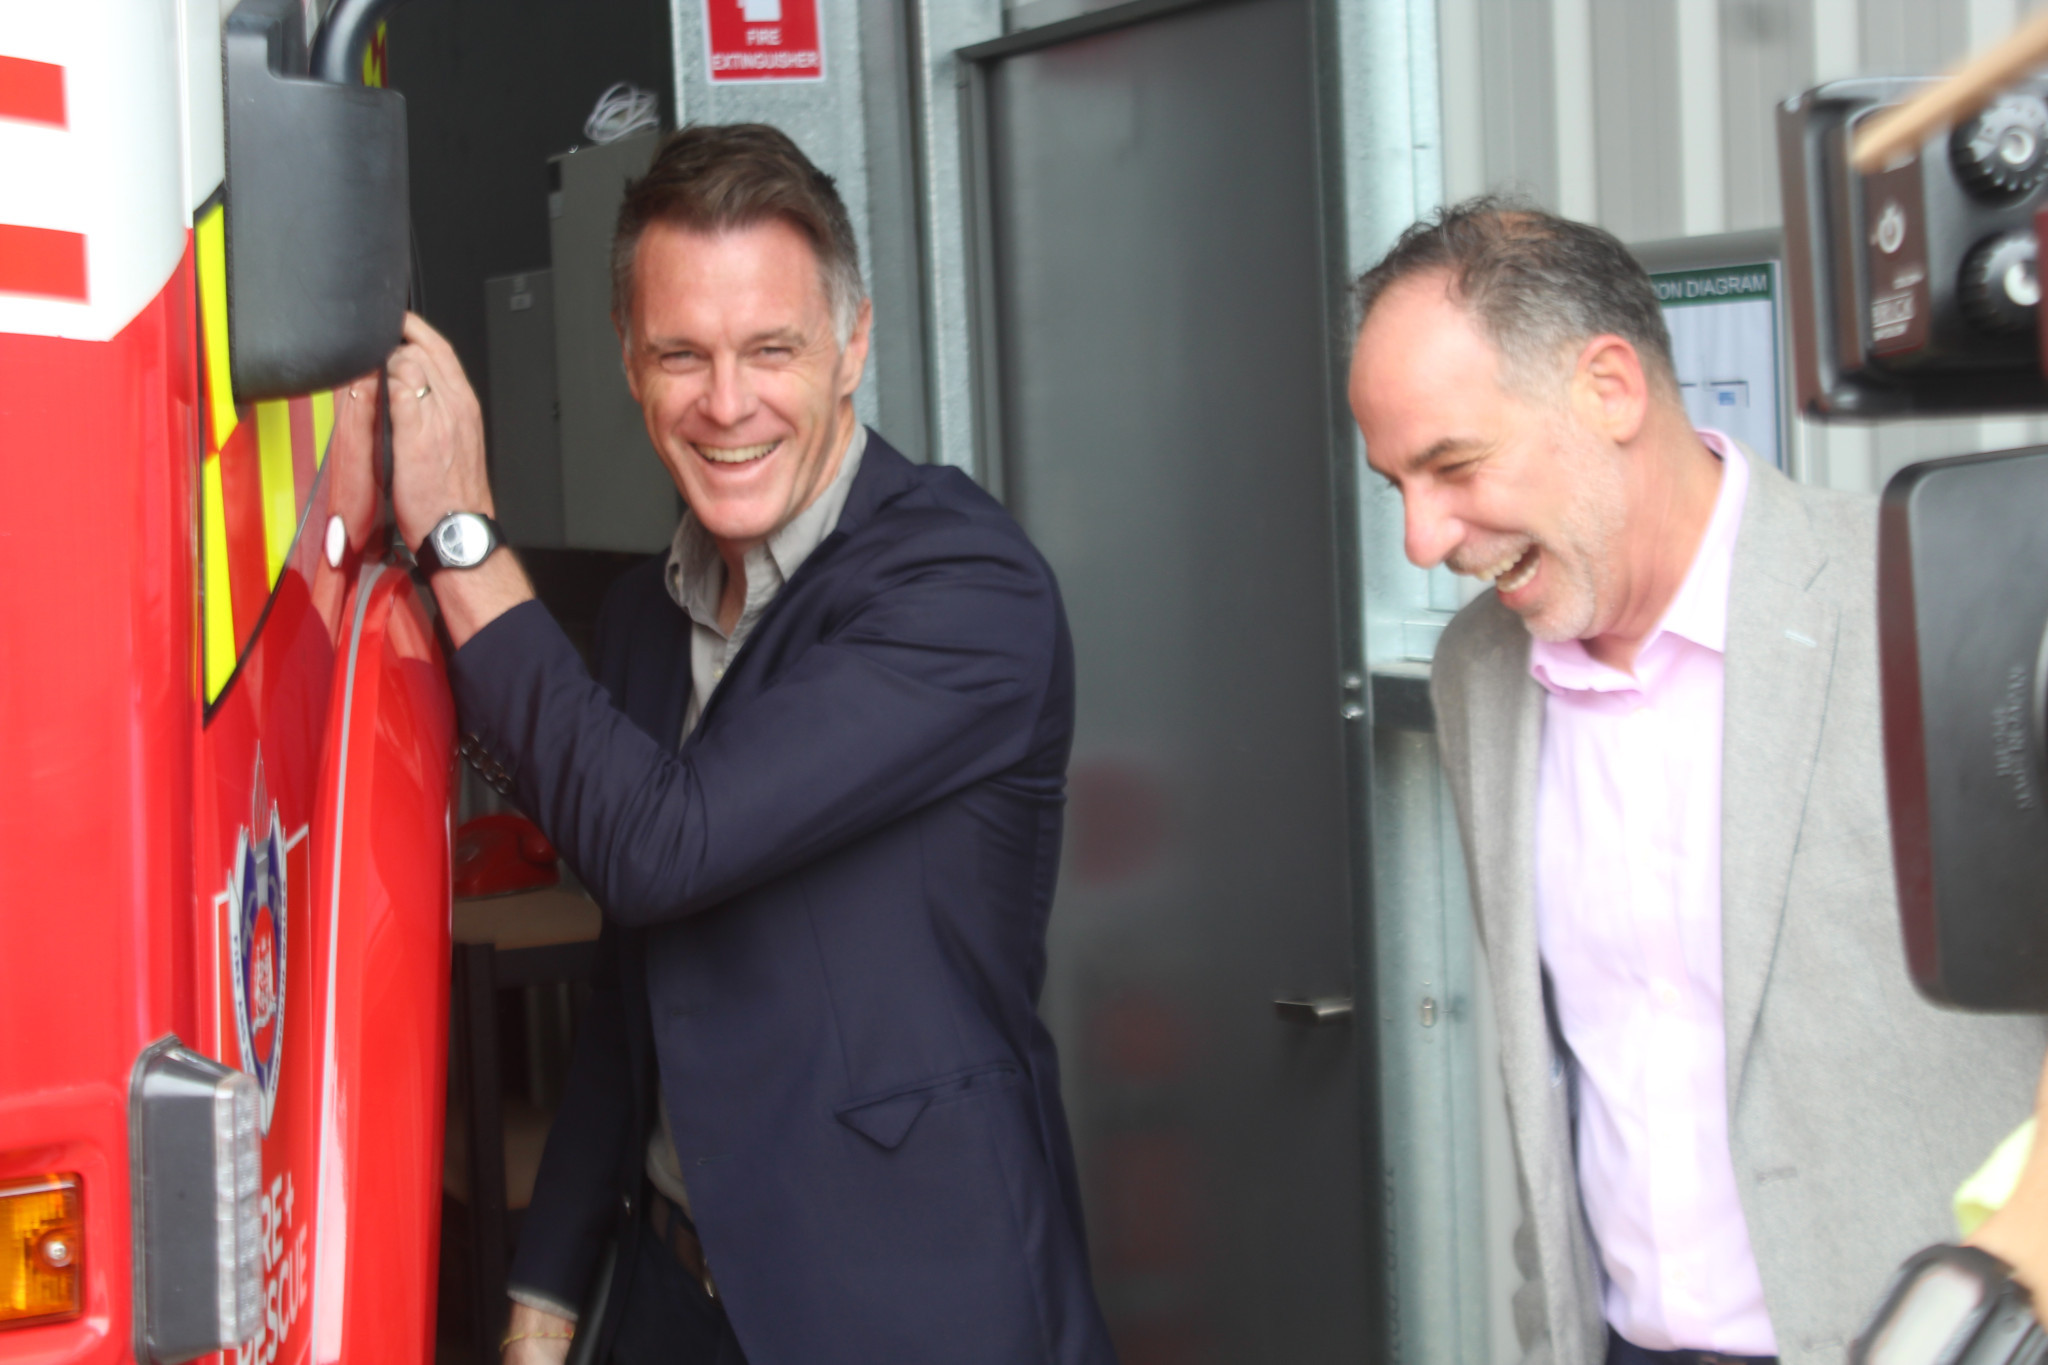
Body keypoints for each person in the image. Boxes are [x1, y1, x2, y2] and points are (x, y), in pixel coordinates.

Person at [384, 124, 1116, 1365]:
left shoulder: (962, 586)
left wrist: (459, 535)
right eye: (682, 354)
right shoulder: (643, 614)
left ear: (853, 345)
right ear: (627, 361)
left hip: (915, 1310)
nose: (727, 405)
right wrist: (547, 1291)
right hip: (675, 1297)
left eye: (771, 349)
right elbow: (633, 988)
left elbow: (663, 844)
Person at [1346, 198, 2047, 1365]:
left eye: (1452, 465)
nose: (1421, 540)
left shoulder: (1935, 605)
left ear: (1608, 389)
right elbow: (1561, 1083)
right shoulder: (1479, 670)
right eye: (1394, 485)